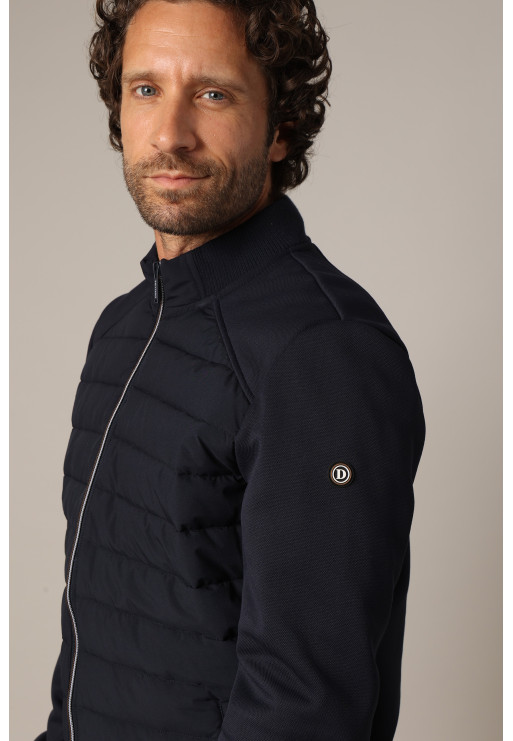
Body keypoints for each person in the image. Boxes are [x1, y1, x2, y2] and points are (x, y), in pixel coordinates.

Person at [35, 1, 426, 739]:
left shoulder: (324, 353)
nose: (171, 133)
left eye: (213, 93)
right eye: (145, 89)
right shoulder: (124, 326)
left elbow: (305, 706)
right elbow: (97, 647)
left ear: (280, 128)